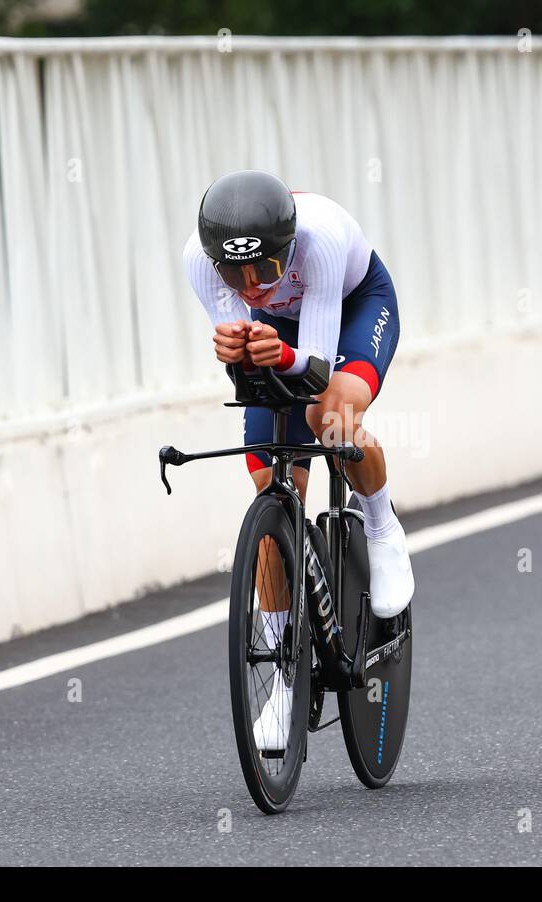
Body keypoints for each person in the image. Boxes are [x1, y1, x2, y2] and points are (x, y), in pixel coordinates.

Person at [183, 170, 414, 750]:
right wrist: (239, 352)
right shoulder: (197, 258)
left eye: (264, 269)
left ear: (288, 250)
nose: (253, 286)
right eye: (236, 275)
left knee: (329, 418)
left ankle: (383, 527)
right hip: (282, 338)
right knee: (267, 479)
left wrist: (277, 350)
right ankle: (279, 672)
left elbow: (310, 369)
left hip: (354, 307)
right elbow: (248, 374)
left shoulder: (323, 239)